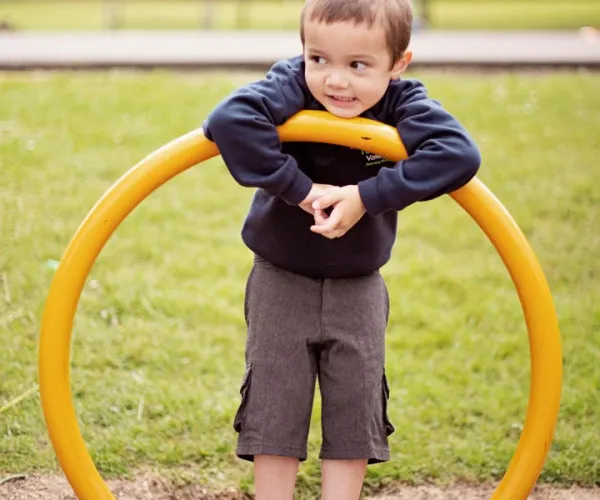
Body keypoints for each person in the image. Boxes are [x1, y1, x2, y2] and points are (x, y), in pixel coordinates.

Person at [202, 0, 481, 498]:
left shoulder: (401, 104)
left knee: (356, 406)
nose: (335, 80)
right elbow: (229, 119)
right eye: (319, 58)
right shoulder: (291, 86)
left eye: (358, 64)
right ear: (302, 52)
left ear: (397, 64)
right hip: (280, 278)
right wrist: (301, 190)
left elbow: (457, 153)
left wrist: (366, 196)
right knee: (274, 403)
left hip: (359, 285)